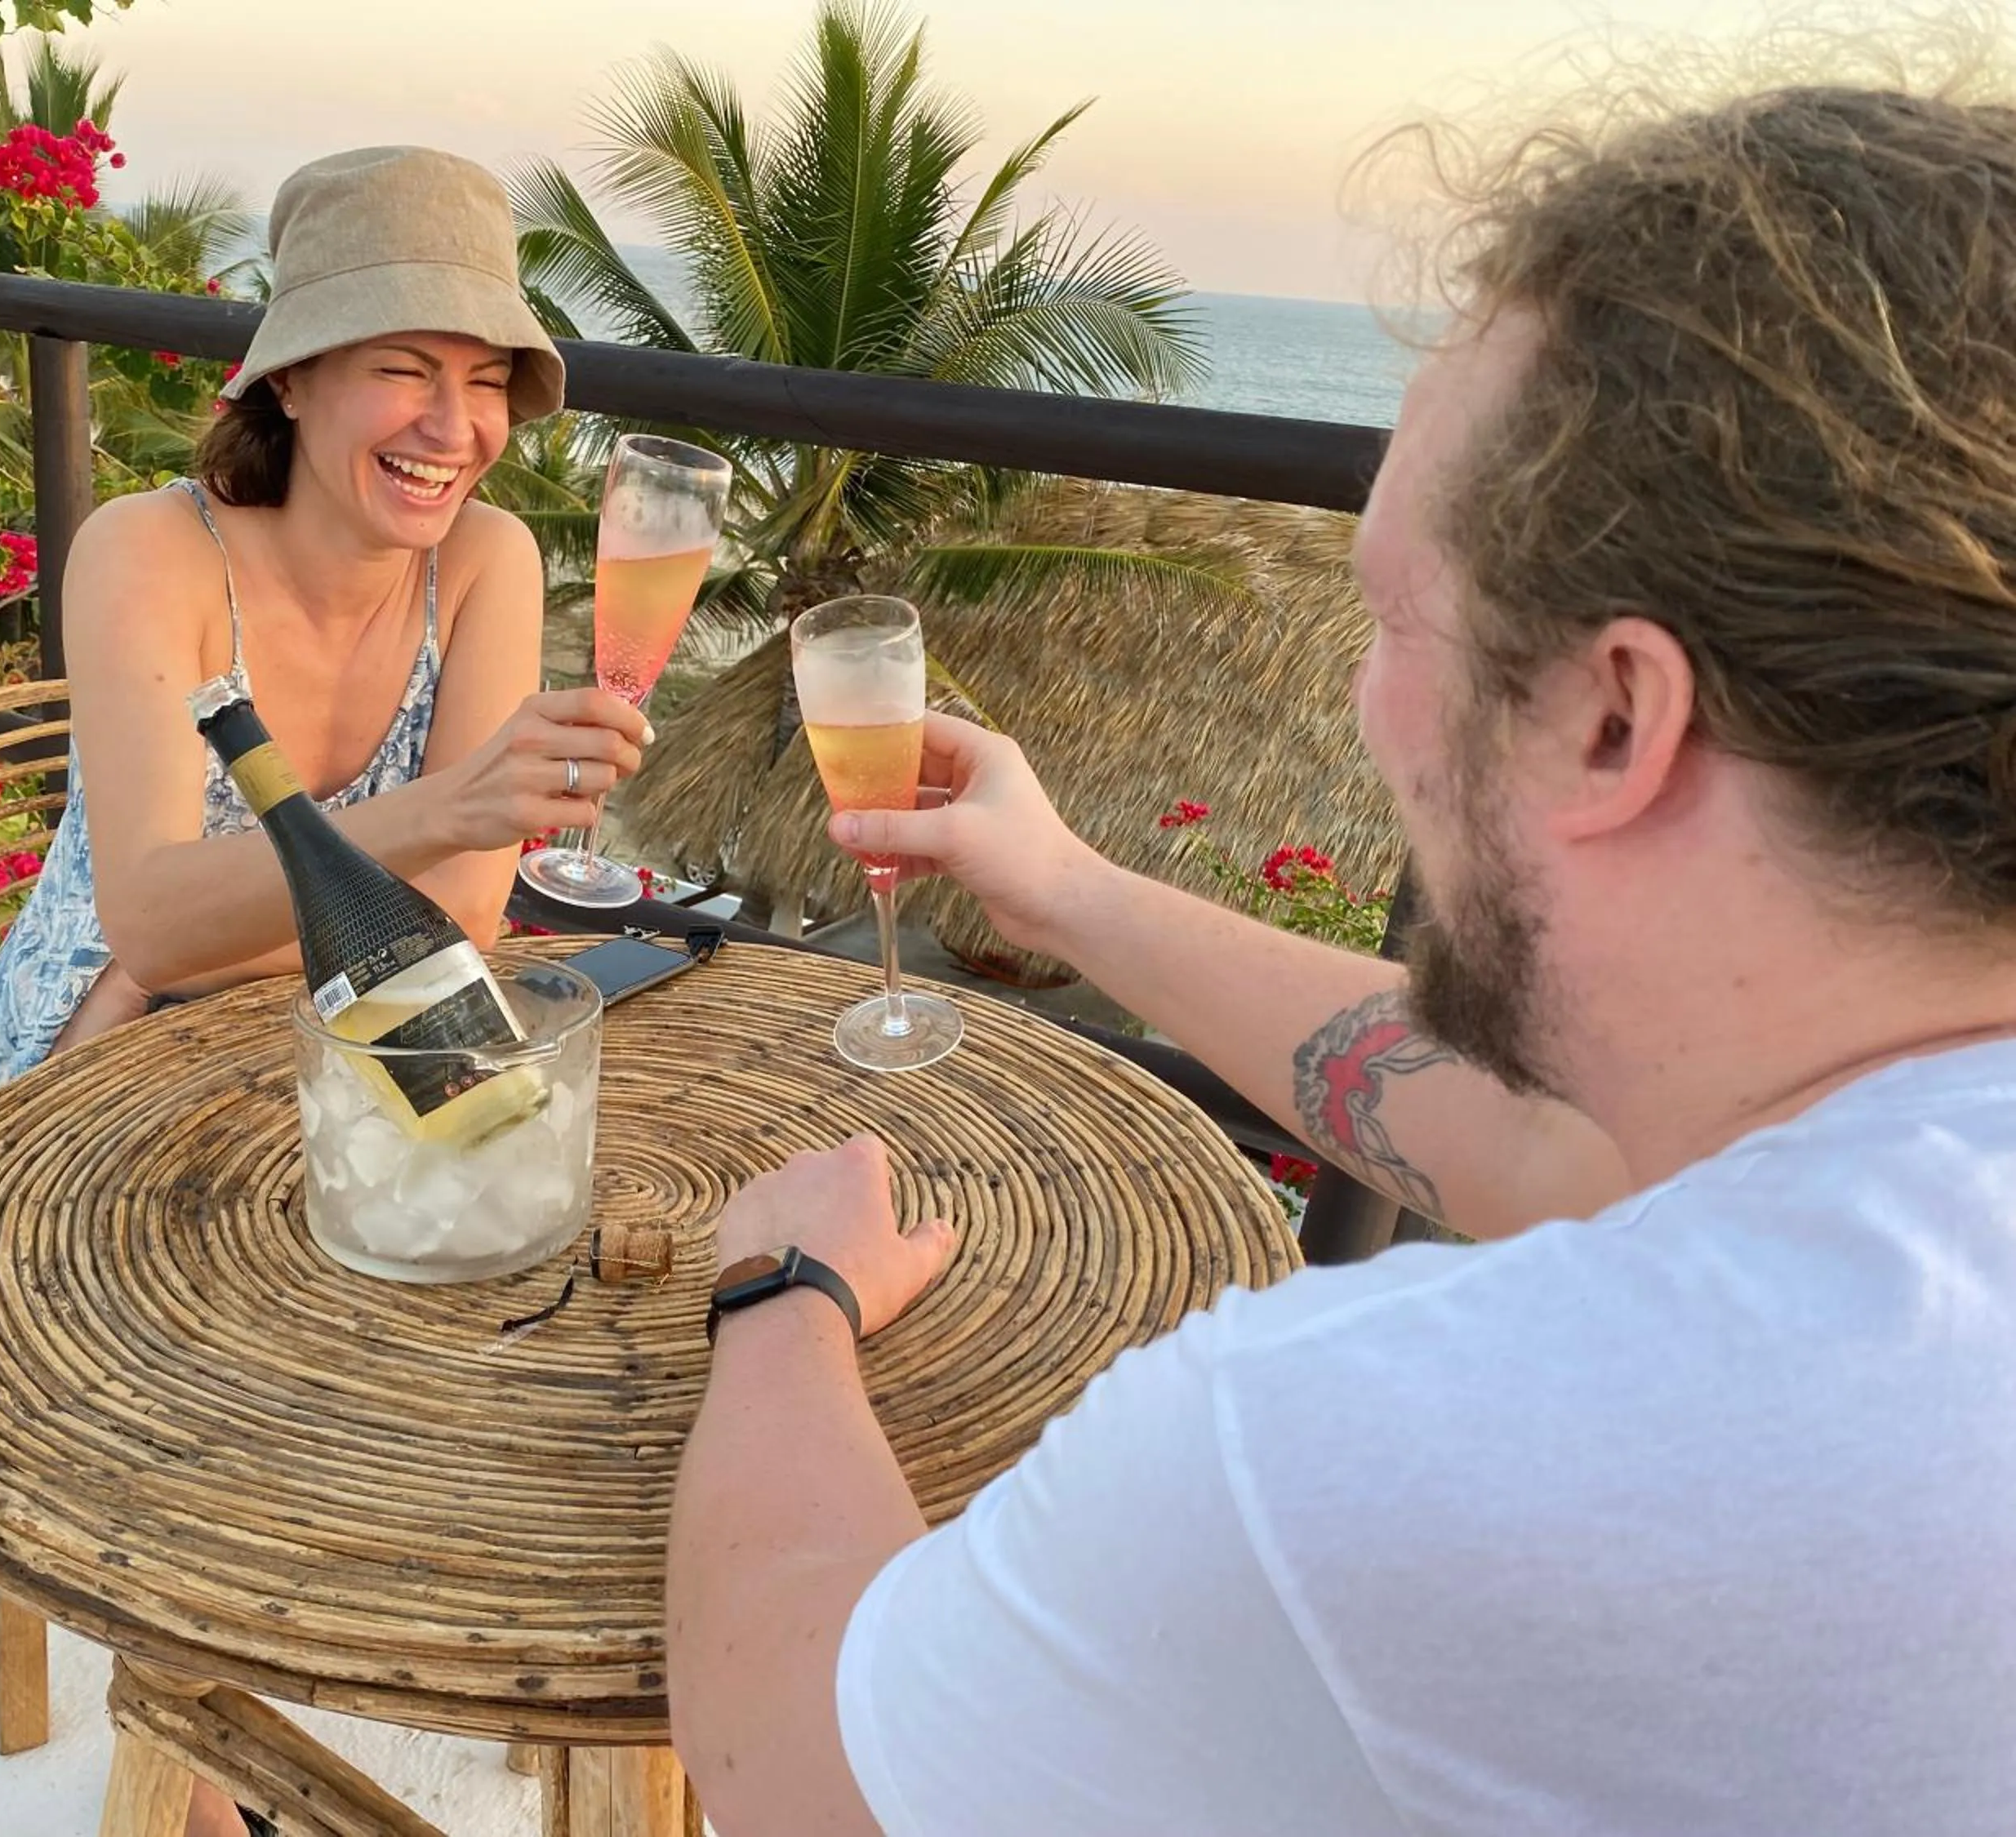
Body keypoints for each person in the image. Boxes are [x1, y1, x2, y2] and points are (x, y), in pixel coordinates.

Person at [667, 81, 2016, 1835]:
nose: (1371, 707)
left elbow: (787, 1755)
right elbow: (1552, 1161)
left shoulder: (1373, 1463)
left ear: (1615, 719)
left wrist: (783, 1300)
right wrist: (1063, 887)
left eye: (1393, 620)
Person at [0, 145, 648, 1150]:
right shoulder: (151, 551)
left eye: (485, 381)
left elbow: (466, 915)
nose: (451, 426)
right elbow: (151, 928)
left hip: (349, 1055)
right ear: (293, 382)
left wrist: (184, 940)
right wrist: (448, 813)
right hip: (90, 1051)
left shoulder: (487, 560)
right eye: (402, 369)